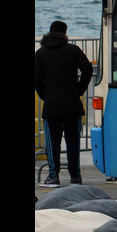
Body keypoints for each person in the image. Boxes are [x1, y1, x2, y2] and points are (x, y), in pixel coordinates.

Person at [35, 20, 94, 188]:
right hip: (72, 103)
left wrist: (45, 94)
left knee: (52, 143)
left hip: (52, 104)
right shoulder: (73, 50)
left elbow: (36, 79)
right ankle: (75, 176)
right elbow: (87, 70)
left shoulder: (41, 53)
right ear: (65, 33)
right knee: (73, 141)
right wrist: (79, 90)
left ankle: (53, 176)